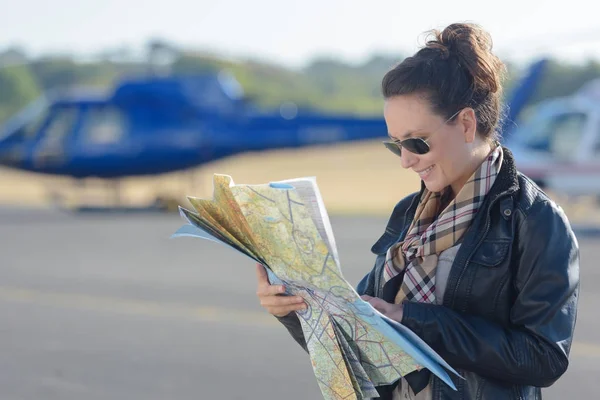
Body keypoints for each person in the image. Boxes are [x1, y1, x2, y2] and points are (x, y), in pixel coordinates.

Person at [255, 22, 580, 400]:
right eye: (396, 145)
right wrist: (294, 309)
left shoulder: (536, 219)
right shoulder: (408, 213)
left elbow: (542, 358)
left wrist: (411, 320)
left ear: (465, 123)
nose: (406, 161)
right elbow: (358, 340)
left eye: (416, 142)